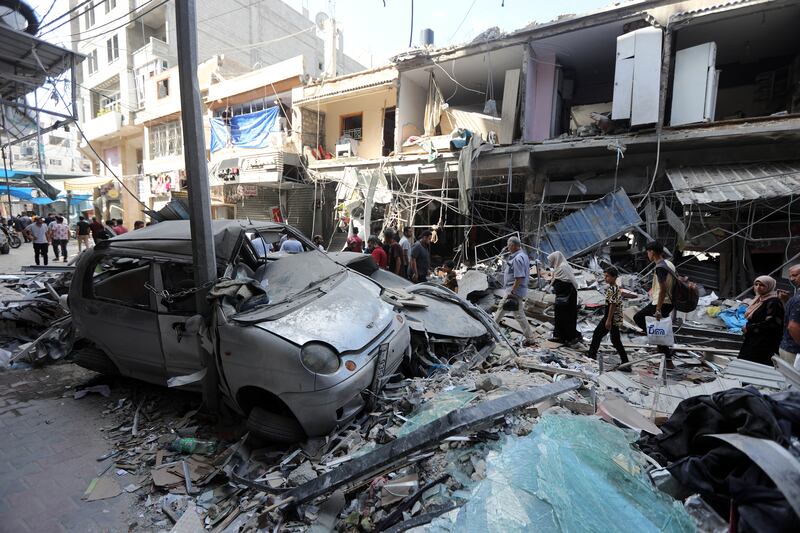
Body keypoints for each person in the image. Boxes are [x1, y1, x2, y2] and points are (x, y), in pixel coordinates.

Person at [633, 241, 676, 367]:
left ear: (652, 252)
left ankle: (665, 354)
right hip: (669, 302)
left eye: (648, 252)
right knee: (658, 329)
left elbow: (662, 289)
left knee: (639, 318)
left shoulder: (660, 267)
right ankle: (665, 357)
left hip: (661, 302)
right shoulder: (669, 264)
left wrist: (657, 309)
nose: (647, 254)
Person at [493, 236, 535, 344]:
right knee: (519, 314)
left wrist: (512, 291)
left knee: (501, 310)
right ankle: (530, 338)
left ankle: (489, 332)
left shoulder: (518, 258)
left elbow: (519, 277)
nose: (508, 247)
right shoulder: (523, 256)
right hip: (517, 290)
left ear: (514, 246)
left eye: (509, 245)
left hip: (514, 291)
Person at [587, 266, 629, 370]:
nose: (605, 278)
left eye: (607, 276)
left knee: (599, 334)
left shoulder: (614, 289)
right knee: (613, 339)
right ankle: (625, 362)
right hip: (612, 317)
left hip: (611, 317)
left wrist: (608, 320)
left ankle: (592, 355)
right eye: (605, 276)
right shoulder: (612, 288)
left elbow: (612, 305)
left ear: (614, 277)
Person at [738, 275, 784, 364]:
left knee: (756, 366)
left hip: (764, 343)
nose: (758, 287)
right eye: (756, 284)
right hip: (753, 339)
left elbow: (772, 323)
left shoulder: (773, 302)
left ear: (770, 286)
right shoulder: (759, 299)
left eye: (762, 285)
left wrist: (749, 328)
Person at [547, 251, 581, 345]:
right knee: (563, 316)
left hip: (566, 296)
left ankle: (566, 337)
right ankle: (563, 336)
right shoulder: (562, 266)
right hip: (566, 296)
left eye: (552, 261)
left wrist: (553, 285)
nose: (551, 263)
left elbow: (563, 282)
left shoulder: (562, 267)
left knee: (564, 317)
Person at [778, 265, 800, 367]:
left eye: (795, 275)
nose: (791, 279)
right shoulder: (798, 298)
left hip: (789, 347)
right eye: (790, 276)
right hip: (793, 350)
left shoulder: (796, 297)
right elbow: (793, 326)